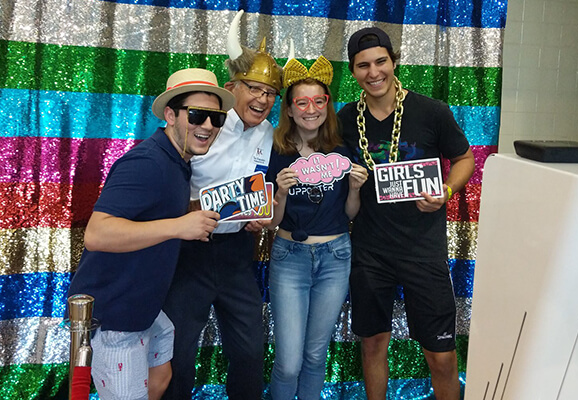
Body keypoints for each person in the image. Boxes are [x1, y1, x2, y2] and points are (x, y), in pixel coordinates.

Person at [66, 68, 234, 400]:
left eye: (216, 119)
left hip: (144, 307)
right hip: (116, 314)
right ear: (170, 114)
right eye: (198, 115)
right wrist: (179, 227)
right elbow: (97, 234)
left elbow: (152, 210)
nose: (208, 127)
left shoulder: (176, 160)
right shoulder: (147, 162)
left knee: (160, 376)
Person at [337, 27, 475, 400]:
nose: (373, 71)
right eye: (363, 65)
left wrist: (446, 191)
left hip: (422, 250)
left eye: (381, 61)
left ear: (394, 62)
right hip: (370, 251)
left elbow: (464, 158)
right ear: (353, 71)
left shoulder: (431, 111)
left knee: (441, 356)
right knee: (373, 344)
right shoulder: (346, 119)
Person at [161, 10, 282, 400]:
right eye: (254, 89)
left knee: (249, 353)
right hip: (189, 253)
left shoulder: (269, 134)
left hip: (236, 254)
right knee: (178, 355)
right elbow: (166, 183)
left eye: (270, 93)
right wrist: (197, 206)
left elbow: (263, 192)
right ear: (233, 87)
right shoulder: (204, 125)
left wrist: (258, 216)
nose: (262, 99)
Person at [266, 55, 368, 400]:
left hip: (336, 255)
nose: (311, 109)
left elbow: (350, 214)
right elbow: (271, 221)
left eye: (319, 101)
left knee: (314, 356)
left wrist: (354, 188)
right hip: (289, 255)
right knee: (289, 362)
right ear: (290, 110)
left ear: (327, 105)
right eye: (302, 102)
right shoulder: (276, 152)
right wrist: (279, 191)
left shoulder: (341, 150)